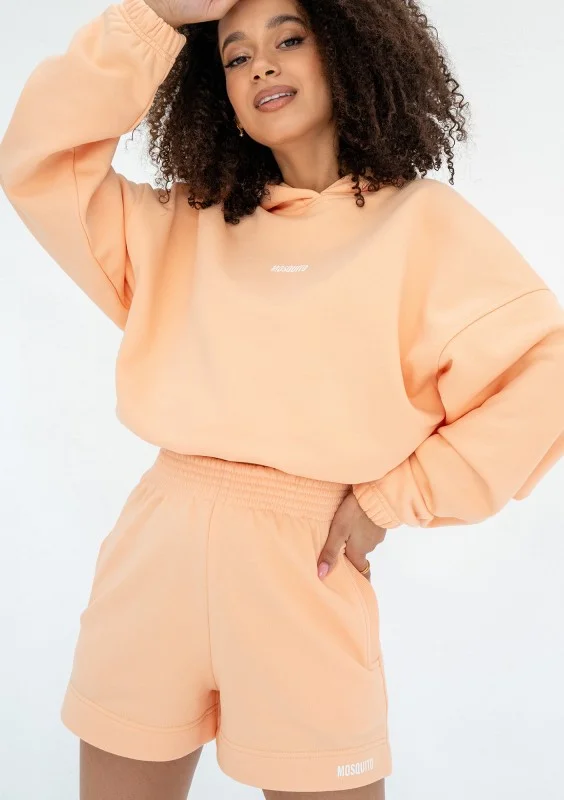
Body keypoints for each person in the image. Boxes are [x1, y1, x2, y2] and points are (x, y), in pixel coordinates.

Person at [1, 0, 563, 797]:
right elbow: (40, 159)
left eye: (289, 39)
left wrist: (394, 498)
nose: (261, 64)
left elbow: (545, 376)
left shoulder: (425, 226)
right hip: (156, 556)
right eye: (235, 56)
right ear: (219, 94)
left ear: (346, 52)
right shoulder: (185, 221)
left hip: (306, 568)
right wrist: (154, 18)